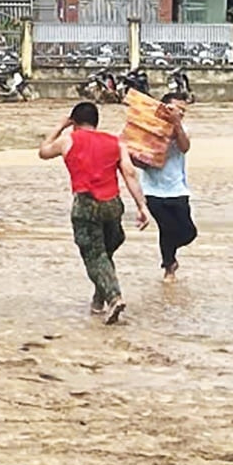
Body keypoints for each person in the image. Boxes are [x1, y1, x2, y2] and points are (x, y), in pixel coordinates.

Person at [38, 101, 151, 323]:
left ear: (74, 122)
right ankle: (98, 300)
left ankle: (114, 297)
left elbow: (43, 152)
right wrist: (142, 206)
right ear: (96, 122)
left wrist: (60, 126)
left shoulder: (68, 139)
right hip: (113, 205)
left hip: (86, 204)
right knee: (105, 252)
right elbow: (129, 173)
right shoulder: (116, 142)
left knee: (94, 256)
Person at [135, 93, 196, 280]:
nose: (181, 112)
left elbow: (185, 147)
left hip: (177, 188)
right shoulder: (148, 128)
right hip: (152, 190)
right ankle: (169, 267)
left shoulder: (183, 129)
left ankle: (169, 256)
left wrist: (176, 124)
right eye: (177, 108)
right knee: (166, 228)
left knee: (188, 232)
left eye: (183, 110)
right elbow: (137, 158)